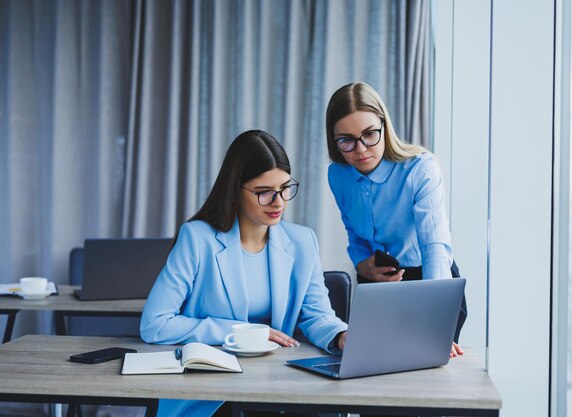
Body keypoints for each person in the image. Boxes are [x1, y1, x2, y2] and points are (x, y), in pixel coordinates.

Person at [141, 130, 348, 417]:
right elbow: (155, 324)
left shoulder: (302, 242)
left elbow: (316, 315)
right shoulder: (197, 238)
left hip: (278, 383)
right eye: (264, 193)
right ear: (235, 191)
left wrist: (340, 335)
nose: (279, 202)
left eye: (285, 188)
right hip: (212, 386)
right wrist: (239, 332)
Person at [325, 81, 466, 356]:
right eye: (347, 140)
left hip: (428, 281)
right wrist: (362, 265)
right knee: (372, 370)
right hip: (377, 281)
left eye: (369, 134)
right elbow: (354, 235)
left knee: (425, 374)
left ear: (384, 126)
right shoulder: (338, 175)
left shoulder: (420, 168)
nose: (360, 148)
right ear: (334, 140)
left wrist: (436, 318)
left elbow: (435, 246)